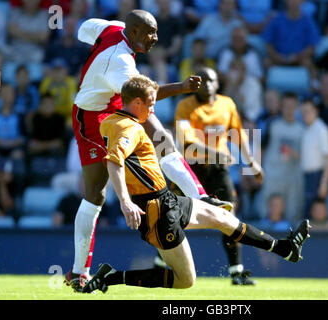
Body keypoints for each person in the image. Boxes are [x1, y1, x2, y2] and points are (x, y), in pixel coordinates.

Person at [81, 74, 311, 293]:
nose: (153, 108)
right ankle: (111, 276)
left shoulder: (110, 121)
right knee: (185, 281)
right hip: (156, 213)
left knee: (223, 218)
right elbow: (114, 161)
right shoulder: (129, 128)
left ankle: (285, 248)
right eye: (151, 102)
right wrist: (124, 202)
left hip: (165, 200)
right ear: (137, 102)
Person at [65, 10, 231, 292]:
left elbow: (84, 29)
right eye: (150, 33)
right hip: (91, 118)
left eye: (155, 31)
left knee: (160, 136)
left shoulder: (112, 28)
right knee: (96, 194)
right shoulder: (118, 62)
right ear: (134, 32)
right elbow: (145, 96)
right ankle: (79, 271)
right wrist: (182, 87)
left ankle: (200, 195)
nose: (155, 38)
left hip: (116, 103)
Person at [174, 67, 264, 285]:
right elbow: (187, 143)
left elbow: (238, 134)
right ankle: (162, 263)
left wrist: (251, 162)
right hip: (192, 168)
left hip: (218, 169)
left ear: (217, 83)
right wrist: (216, 152)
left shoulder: (227, 104)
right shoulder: (185, 106)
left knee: (229, 214)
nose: (206, 84)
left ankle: (236, 271)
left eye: (210, 80)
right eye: (201, 80)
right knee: (175, 216)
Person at [260, 92, 304, 226]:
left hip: (293, 178)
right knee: (268, 212)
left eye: (293, 106)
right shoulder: (272, 125)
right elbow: (261, 148)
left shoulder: (303, 129)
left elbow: (306, 156)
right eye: (286, 106)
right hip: (273, 175)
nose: (289, 109)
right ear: (281, 107)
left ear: (297, 108)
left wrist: (294, 153)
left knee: (293, 212)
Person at [262, 0, 320, 71]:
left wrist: (297, 57)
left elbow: (312, 46)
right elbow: (267, 43)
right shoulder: (276, 20)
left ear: (303, 1)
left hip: (299, 60)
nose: (294, 2)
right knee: (267, 62)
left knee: (308, 63)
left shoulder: (308, 21)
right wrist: (276, 56)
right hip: (278, 58)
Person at [300, 100, 328, 218]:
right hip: (308, 177)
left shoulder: (321, 130)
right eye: (303, 112)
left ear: (316, 112)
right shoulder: (308, 129)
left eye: (308, 111)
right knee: (308, 213)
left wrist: (324, 183)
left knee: (315, 215)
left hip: (317, 177)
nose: (305, 114)